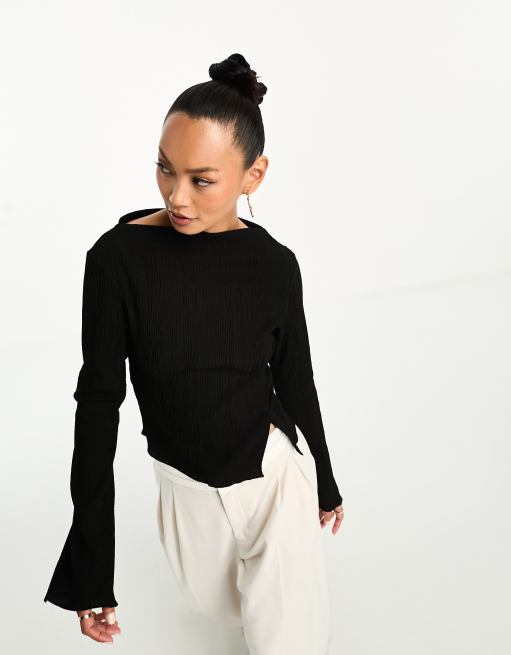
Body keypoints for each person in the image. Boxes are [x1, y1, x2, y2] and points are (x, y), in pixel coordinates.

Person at [43, 52, 345, 652]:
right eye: (165, 169)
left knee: (287, 636)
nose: (176, 196)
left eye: (201, 180)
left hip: (272, 477)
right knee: (223, 610)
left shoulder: (275, 265)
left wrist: (326, 482)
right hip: (184, 488)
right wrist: (90, 568)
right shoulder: (117, 261)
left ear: (253, 175)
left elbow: (296, 378)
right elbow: (98, 406)